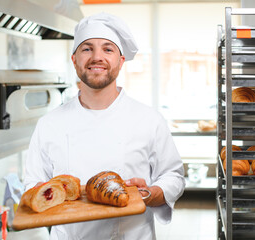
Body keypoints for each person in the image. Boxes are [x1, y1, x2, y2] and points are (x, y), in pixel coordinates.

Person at [24, 12, 185, 240]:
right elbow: (32, 182)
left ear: (120, 62)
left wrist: (149, 194)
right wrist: (44, 191)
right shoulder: (49, 124)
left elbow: (173, 176)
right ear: (74, 60)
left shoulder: (149, 119)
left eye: (108, 49)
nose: (97, 57)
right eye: (87, 48)